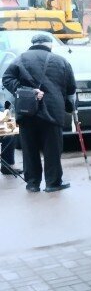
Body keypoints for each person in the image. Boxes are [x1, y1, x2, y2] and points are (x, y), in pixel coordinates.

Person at [1, 34, 76, 193]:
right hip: (53, 110)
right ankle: (53, 183)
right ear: (50, 45)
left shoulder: (20, 59)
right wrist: (70, 107)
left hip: (26, 110)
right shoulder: (61, 61)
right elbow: (71, 88)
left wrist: (25, 91)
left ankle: (32, 183)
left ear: (33, 44)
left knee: (29, 148)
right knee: (52, 149)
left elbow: (6, 78)